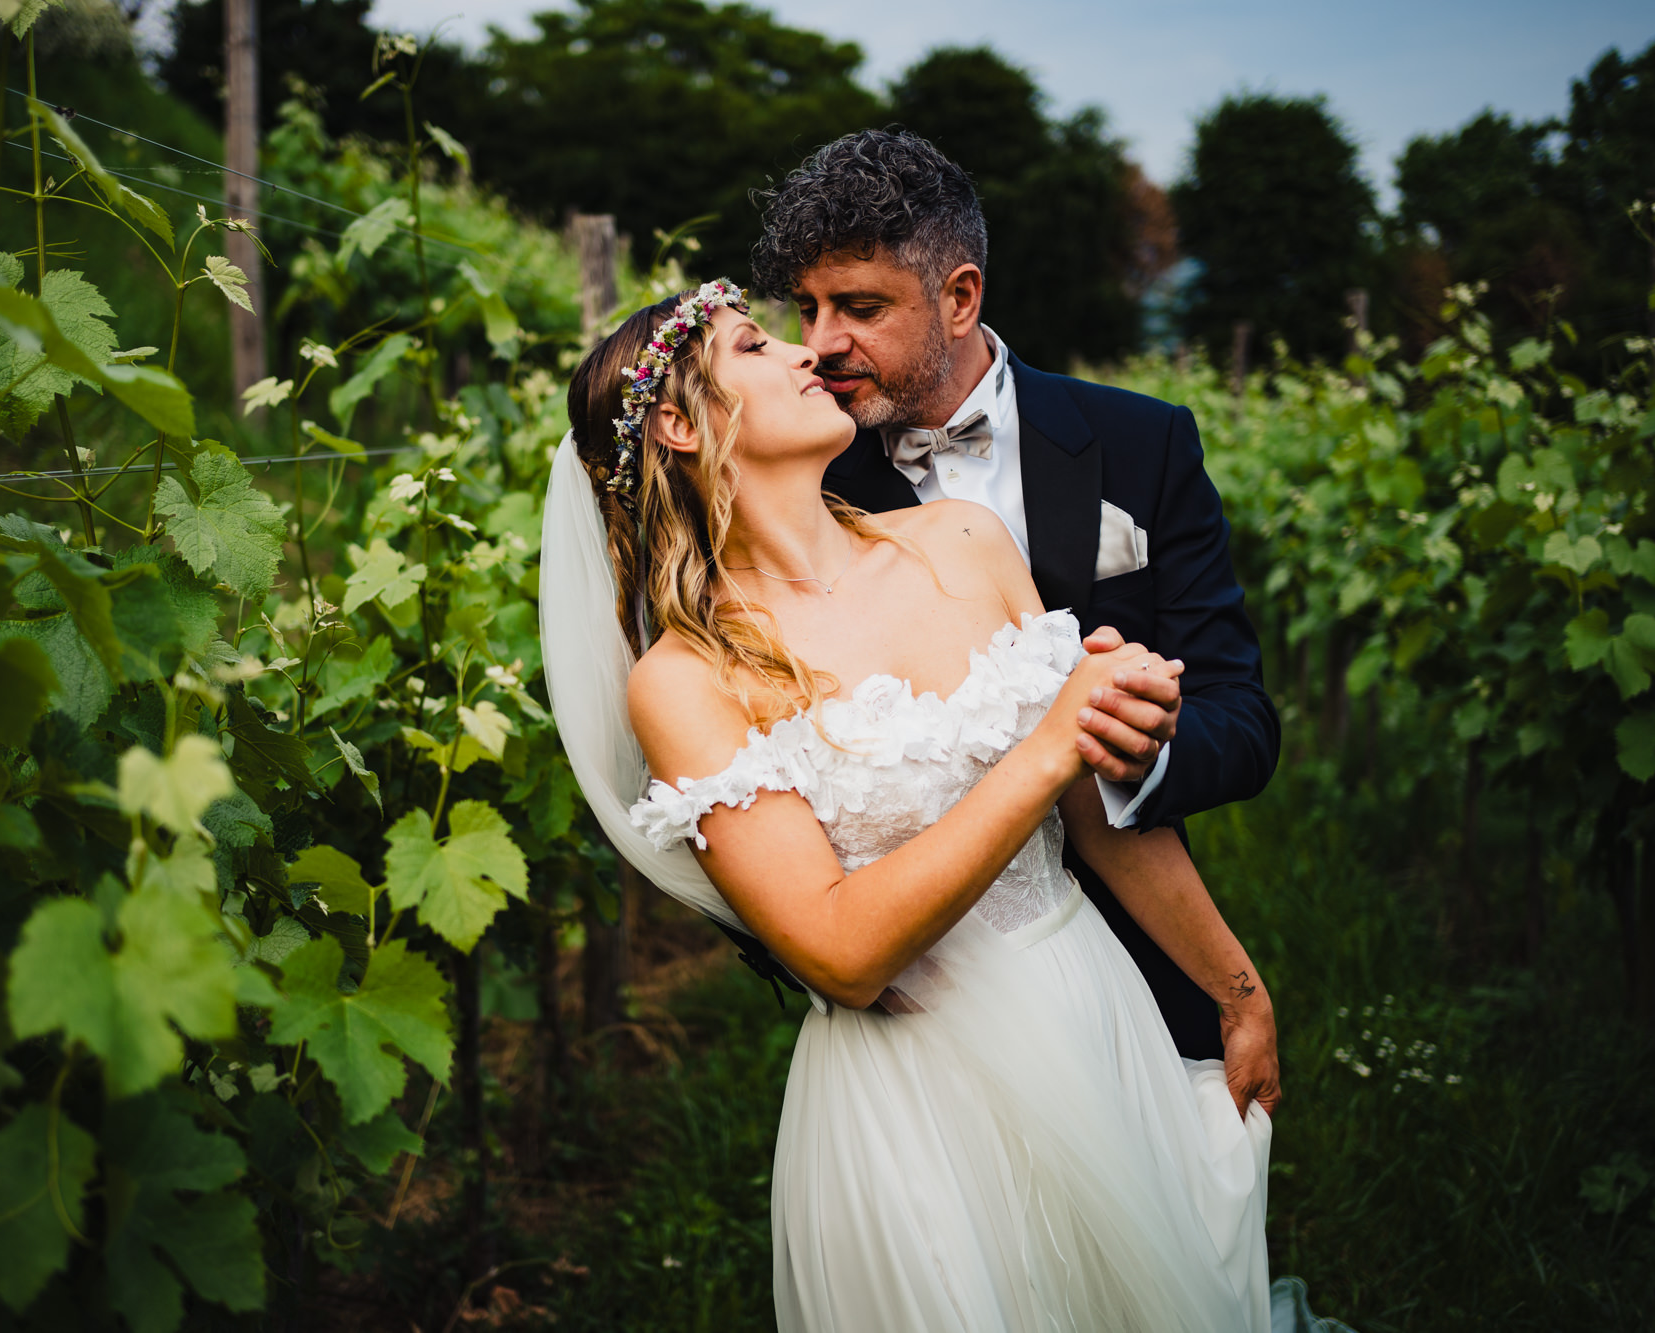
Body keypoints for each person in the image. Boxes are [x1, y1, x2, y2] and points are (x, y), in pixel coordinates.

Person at [539, 279, 1277, 1330]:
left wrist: (1234, 988)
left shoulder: (964, 542)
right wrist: (1048, 745)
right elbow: (839, 952)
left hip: (1088, 1005)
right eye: (755, 345)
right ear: (674, 422)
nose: (805, 353)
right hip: (915, 1091)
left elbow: (1097, 815)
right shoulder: (688, 678)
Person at [749, 130, 1282, 1064]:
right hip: (922, 997)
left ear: (960, 297)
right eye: (807, 307)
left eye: (860, 307)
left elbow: (1243, 716)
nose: (821, 345)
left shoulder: (1143, 443)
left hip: (1147, 947)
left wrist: (1141, 747)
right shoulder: (803, 482)